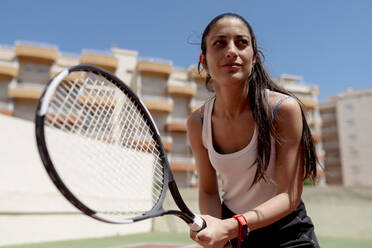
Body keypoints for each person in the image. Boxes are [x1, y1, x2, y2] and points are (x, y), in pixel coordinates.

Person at [187, 13, 319, 248]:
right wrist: (214, 226)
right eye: (220, 43)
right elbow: (208, 191)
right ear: (204, 60)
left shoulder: (283, 109)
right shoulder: (197, 122)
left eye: (242, 43)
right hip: (235, 232)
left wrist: (229, 227)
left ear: (254, 57)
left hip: (287, 231)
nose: (232, 51)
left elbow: (288, 196)